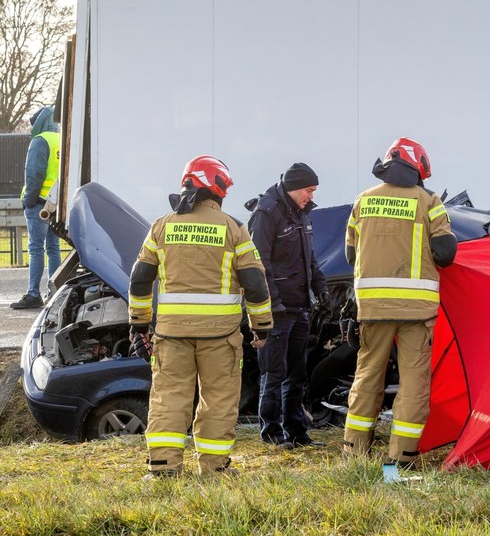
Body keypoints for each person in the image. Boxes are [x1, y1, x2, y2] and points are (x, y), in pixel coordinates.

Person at [127, 155, 274, 478]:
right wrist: (261, 327)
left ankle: (163, 467)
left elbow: (139, 278)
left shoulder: (161, 226)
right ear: (218, 188)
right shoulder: (234, 229)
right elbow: (255, 283)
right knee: (218, 399)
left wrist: (138, 323)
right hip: (220, 336)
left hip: (171, 334)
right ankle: (215, 468)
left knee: (168, 397)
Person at [343, 137, 457, 468]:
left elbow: (351, 254)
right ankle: (401, 460)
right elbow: (446, 254)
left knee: (367, 376)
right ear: (418, 167)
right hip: (415, 310)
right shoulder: (429, 201)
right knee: (413, 383)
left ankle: (354, 454)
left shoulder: (363, 200)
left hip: (373, 308)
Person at [246, 163, 329, 449]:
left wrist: (321, 288)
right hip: (277, 311)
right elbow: (258, 264)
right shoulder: (266, 213)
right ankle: (272, 433)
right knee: (274, 372)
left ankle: (296, 432)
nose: (311, 195)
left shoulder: (300, 214)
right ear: (294, 187)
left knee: (297, 373)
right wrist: (274, 302)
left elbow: (311, 258)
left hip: (299, 307)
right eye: (309, 189)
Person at [11, 107, 61, 310]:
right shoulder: (60, 139)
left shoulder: (40, 141)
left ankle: (33, 294)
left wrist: (29, 201)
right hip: (56, 203)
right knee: (53, 249)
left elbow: (34, 174)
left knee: (35, 249)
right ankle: (56, 292)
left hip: (39, 203)